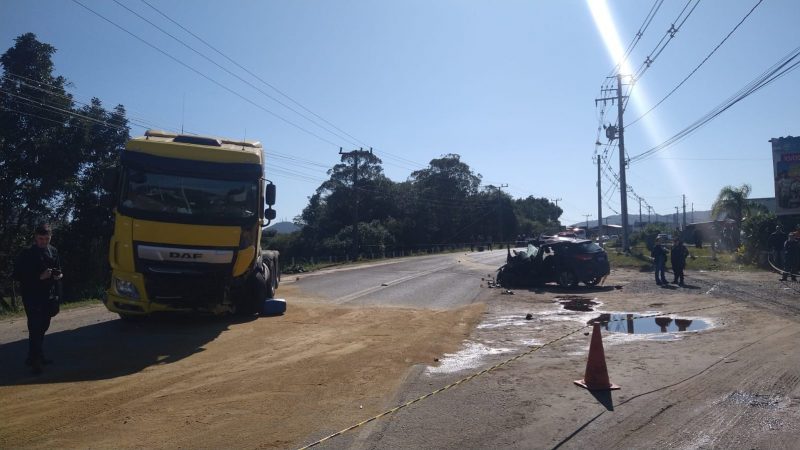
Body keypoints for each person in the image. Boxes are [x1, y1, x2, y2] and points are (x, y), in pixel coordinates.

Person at [12, 223, 64, 375]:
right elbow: (17, 275)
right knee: (35, 327)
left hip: (48, 295)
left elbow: (59, 269)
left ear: (50, 237)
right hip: (32, 296)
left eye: (46, 239)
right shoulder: (27, 253)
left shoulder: (53, 251)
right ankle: (35, 361)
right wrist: (38, 277)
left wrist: (58, 275)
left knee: (43, 327)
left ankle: (34, 356)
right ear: (35, 237)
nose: (43, 242)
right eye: (41, 239)